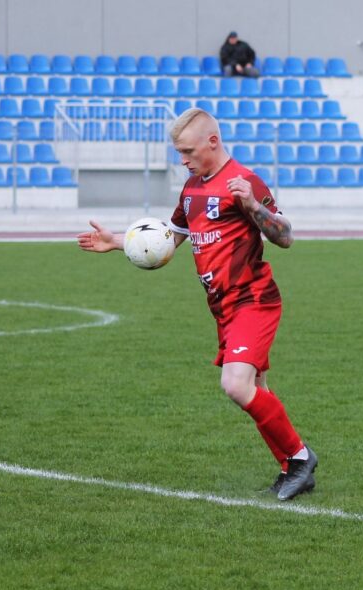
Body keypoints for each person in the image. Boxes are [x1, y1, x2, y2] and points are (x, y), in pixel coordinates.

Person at [76, 108, 317, 500]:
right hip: (222, 308)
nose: (183, 160)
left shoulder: (244, 181)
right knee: (256, 388)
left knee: (235, 385)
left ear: (213, 142)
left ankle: (301, 458)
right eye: (179, 153)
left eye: (188, 151)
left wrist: (253, 206)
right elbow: (169, 239)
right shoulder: (191, 190)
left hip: (253, 299)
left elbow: (285, 236)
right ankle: (292, 466)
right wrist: (118, 242)